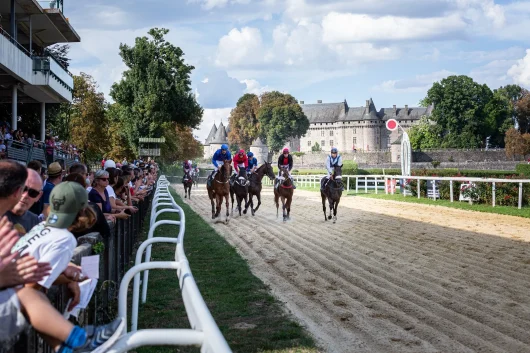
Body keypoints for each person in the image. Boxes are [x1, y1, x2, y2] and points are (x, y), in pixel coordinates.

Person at [6, 168, 42, 235]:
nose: (25, 195)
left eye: (33, 193)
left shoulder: (36, 223)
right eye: (22, 189)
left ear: (38, 197)